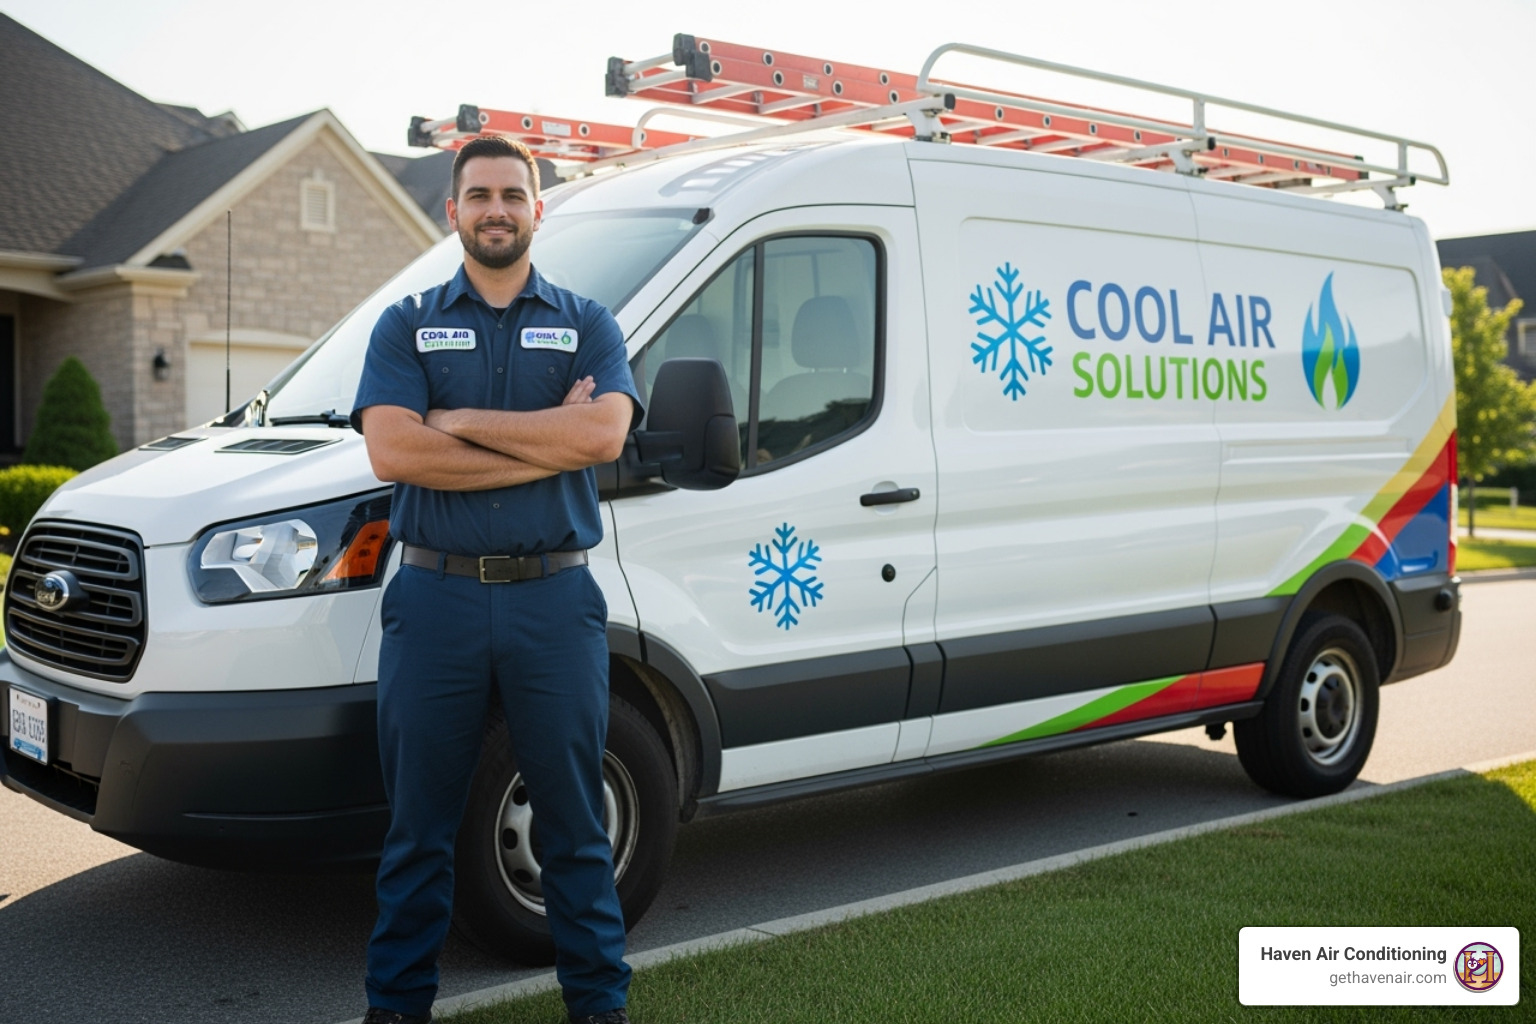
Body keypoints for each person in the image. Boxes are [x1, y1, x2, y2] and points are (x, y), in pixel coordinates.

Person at [351, 135, 641, 1024]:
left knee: (575, 832)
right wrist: (542, 436)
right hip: (434, 599)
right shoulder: (406, 323)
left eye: (514, 193)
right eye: (479, 194)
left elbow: (600, 439)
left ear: (538, 208)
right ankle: (396, 1014)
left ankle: (600, 1012)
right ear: (454, 210)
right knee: (418, 837)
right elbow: (394, 449)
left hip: (554, 600)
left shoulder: (589, 321)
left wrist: (464, 422)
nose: (497, 208)